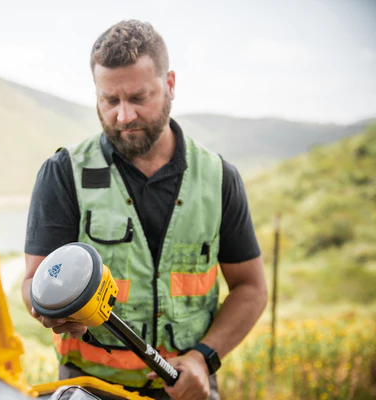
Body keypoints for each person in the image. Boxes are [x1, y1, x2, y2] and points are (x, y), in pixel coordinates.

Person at [22, 20, 267, 400]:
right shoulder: (63, 173)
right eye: (109, 100)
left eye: (138, 98)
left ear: (169, 85)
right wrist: (47, 310)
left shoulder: (219, 179)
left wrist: (203, 359)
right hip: (90, 388)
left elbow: (251, 288)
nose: (124, 116)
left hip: (187, 389)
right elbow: (34, 282)